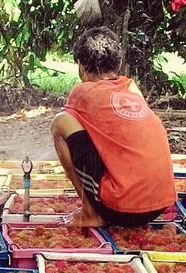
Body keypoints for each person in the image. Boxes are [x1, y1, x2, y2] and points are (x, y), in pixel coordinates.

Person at [51, 27, 177, 227]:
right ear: (117, 64)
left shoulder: (83, 91)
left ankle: (90, 213)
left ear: (82, 65)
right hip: (160, 206)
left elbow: (73, 131)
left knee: (61, 122)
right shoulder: (131, 88)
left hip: (122, 211)